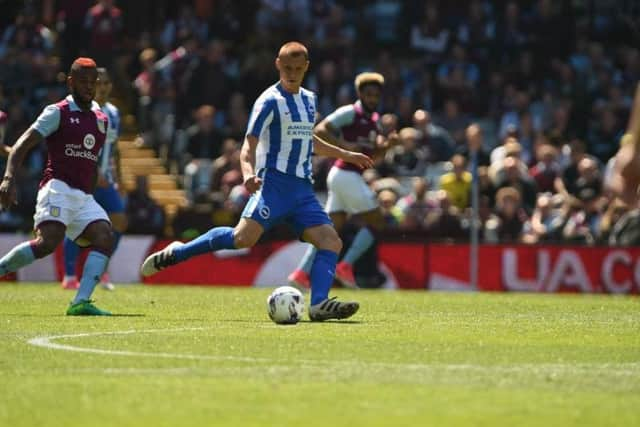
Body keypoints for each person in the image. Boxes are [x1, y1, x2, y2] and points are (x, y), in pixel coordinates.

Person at [141, 42, 372, 321]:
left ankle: (319, 304)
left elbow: (307, 139)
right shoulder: (268, 101)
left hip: (302, 190)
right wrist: (248, 173)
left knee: (331, 242)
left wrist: (346, 154)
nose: (292, 73)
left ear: (306, 68)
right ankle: (179, 252)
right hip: (273, 186)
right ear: (278, 64)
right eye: (287, 68)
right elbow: (248, 145)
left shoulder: (309, 99)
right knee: (242, 238)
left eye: (298, 69)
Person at [0, 57, 115, 316]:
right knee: (47, 243)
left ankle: (80, 302)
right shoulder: (58, 112)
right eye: (82, 82)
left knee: (105, 236)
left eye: (92, 82)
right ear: (70, 82)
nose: (88, 87)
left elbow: (93, 163)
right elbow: (23, 143)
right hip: (57, 189)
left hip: (83, 197)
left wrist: (91, 195)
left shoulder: (101, 118)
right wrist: (8, 178)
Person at [288, 71, 396, 289]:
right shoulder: (350, 113)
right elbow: (320, 130)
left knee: (328, 231)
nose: (372, 99)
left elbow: (370, 158)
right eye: (369, 94)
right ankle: (345, 265)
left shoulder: (374, 122)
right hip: (345, 174)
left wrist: (387, 147)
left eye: (376, 95)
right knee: (379, 222)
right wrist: (345, 147)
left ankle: (301, 273)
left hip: (345, 177)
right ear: (360, 94)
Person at [61, 67, 127, 291]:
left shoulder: (114, 113)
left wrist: (119, 177)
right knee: (75, 225)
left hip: (106, 180)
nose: (104, 87)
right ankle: (70, 276)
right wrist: (94, 173)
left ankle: (101, 269)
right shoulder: (83, 110)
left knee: (118, 221)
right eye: (100, 83)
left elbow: (114, 148)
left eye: (108, 83)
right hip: (83, 177)